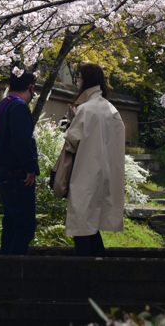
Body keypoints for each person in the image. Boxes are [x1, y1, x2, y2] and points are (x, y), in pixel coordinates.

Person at [62, 64, 126, 257]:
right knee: (92, 227)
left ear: (86, 80)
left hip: (85, 174)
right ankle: (100, 274)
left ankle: (86, 279)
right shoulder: (112, 110)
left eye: (79, 77)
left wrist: (68, 124)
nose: (78, 81)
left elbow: (71, 143)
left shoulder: (85, 110)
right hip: (106, 176)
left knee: (82, 227)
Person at [0, 71, 40, 255]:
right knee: (25, 227)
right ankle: (13, 273)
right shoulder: (19, 107)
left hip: (3, 173)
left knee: (11, 225)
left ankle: (5, 271)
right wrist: (30, 168)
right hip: (17, 176)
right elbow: (21, 141)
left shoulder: (2, 106)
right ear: (31, 88)